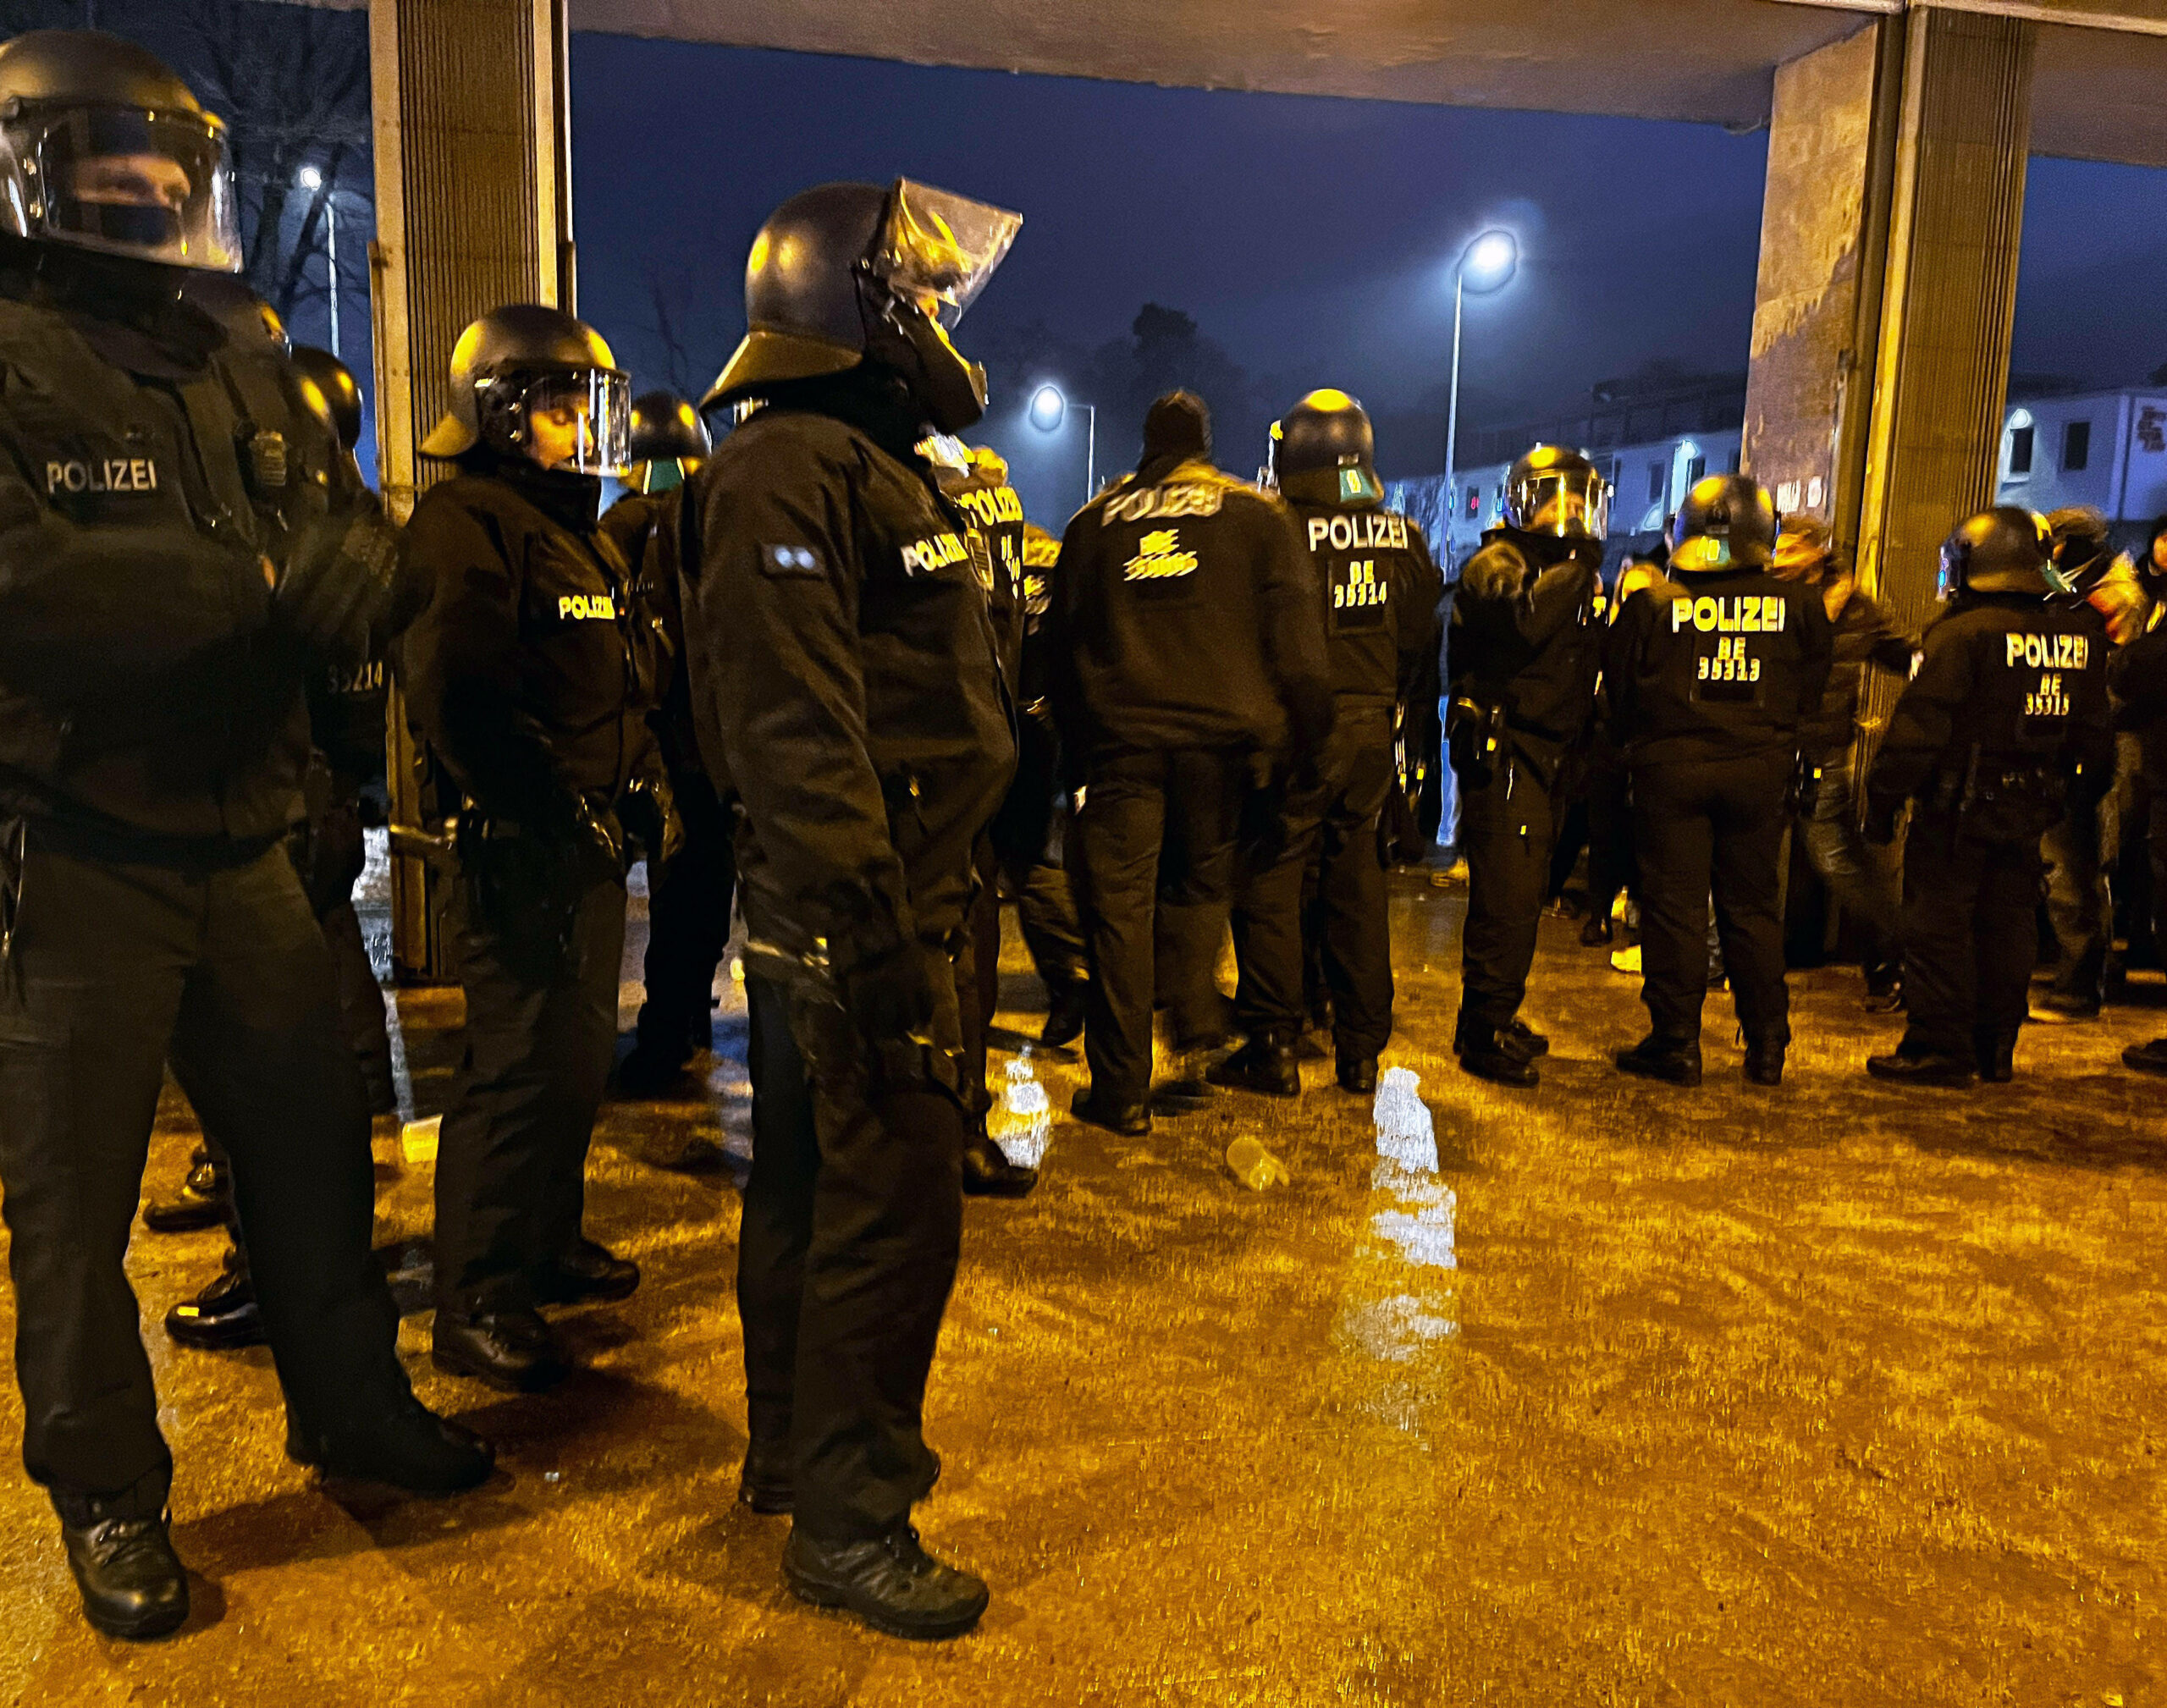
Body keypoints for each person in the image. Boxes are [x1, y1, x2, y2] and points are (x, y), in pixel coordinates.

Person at [0, 30, 491, 1641]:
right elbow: (36, 590)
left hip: (251, 840)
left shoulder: (232, 347)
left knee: (309, 1164)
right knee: (71, 1219)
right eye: (107, 170)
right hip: (75, 856)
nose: (144, 197)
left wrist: (368, 569)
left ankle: (350, 1408)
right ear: (32, 176)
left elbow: (338, 516)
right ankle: (108, 1491)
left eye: (168, 174)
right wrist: (269, 595)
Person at [679, 178, 1020, 1639]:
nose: (942, 323)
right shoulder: (786, 473)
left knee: (820, 1190)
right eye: (922, 301)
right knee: (886, 1216)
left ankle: (794, 1452)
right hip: (869, 915)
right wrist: (868, 931)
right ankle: (851, 1519)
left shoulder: (875, 462)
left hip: (902, 896)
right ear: (855, 314)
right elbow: (797, 732)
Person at [404, 305, 666, 1393]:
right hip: (519, 846)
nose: (579, 427)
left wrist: (641, 781)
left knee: (569, 1065)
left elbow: (616, 677)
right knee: (512, 1071)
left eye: (584, 405)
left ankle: (546, 1242)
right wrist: (543, 802)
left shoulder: (579, 533)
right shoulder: (469, 522)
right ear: (501, 412)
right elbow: (458, 693)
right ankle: (477, 1296)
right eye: (560, 406)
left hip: (585, 850)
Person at [164, 339, 401, 1353]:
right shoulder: (320, 529)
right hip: (308, 802)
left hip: (289, 807)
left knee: (282, 1048)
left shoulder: (312, 537)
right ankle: (265, 1232)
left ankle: (272, 1257)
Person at [1050, 389, 1332, 1133]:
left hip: (1123, 749)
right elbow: (1299, 653)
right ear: (1204, 445)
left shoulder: (1092, 525)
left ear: (1146, 445)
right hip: (1222, 753)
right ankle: (1194, 1010)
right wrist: (1302, 747)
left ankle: (1122, 1090)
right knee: (1199, 888)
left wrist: (1075, 758)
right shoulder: (1256, 518)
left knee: (1119, 915)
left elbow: (1059, 655)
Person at [1216, 390, 1439, 1097]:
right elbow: (1418, 641)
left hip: (1299, 731)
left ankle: (1274, 1041)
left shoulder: (1275, 532)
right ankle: (1361, 1048)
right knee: (1357, 882)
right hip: (1374, 729)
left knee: (1273, 881)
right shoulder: (1404, 535)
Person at [1865, 507, 2111, 1084]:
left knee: (1939, 929)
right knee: (2009, 927)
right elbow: (2094, 731)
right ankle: (1995, 1046)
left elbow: (1920, 728)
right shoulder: (2078, 634)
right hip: (2031, 806)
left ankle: (1938, 1047)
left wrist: (1883, 799)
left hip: (1957, 811)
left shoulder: (1962, 634)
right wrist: (2076, 796)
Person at [1606, 474, 1832, 1087]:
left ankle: (1676, 1043)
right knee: (1753, 907)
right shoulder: (1801, 607)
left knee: (1675, 910)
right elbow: (1810, 693)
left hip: (1670, 771)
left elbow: (1619, 694)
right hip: (1760, 770)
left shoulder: (1652, 603)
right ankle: (1766, 1043)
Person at [1446, 445, 1608, 1086]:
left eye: (1579, 499)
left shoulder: (1563, 568)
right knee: (1506, 901)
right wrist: (1577, 572)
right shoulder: (1499, 562)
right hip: (1506, 752)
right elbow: (1521, 628)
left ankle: (1491, 1014)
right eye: (1557, 498)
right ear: (1528, 503)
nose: (1570, 512)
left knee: (1525, 897)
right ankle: (1483, 1029)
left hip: (1548, 755)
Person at [604, 390, 736, 1106]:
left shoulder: (620, 528)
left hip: (655, 742)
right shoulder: (710, 520)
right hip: (708, 742)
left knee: (674, 897)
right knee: (700, 899)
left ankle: (663, 1039)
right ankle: (679, 1024)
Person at [932, 442, 1039, 1196]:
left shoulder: (922, 495)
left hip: (937, 744)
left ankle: (954, 1120)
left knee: (952, 944)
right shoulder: (999, 512)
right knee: (969, 931)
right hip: (983, 738)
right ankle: (961, 1115)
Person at [1769, 515, 1914, 1009]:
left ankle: (1890, 962)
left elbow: (1904, 656)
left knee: (1835, 860)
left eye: (1791, 549)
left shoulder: (1855, 607)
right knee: (1753, 856)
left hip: (1823, 751)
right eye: (1777, 549)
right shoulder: (1767, 598)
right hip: (1767, 747)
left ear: (1816, 551)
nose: (1780, 559)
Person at [2033, 507, 2148, 1022]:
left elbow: (2110, 679)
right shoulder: (2069, 590)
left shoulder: (2112, 596)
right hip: (2067, 735)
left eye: (2053, 545)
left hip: (2100, 738)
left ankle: (2082, 982)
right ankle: (2073, 968)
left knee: (2077, 859)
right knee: (2062, 859)